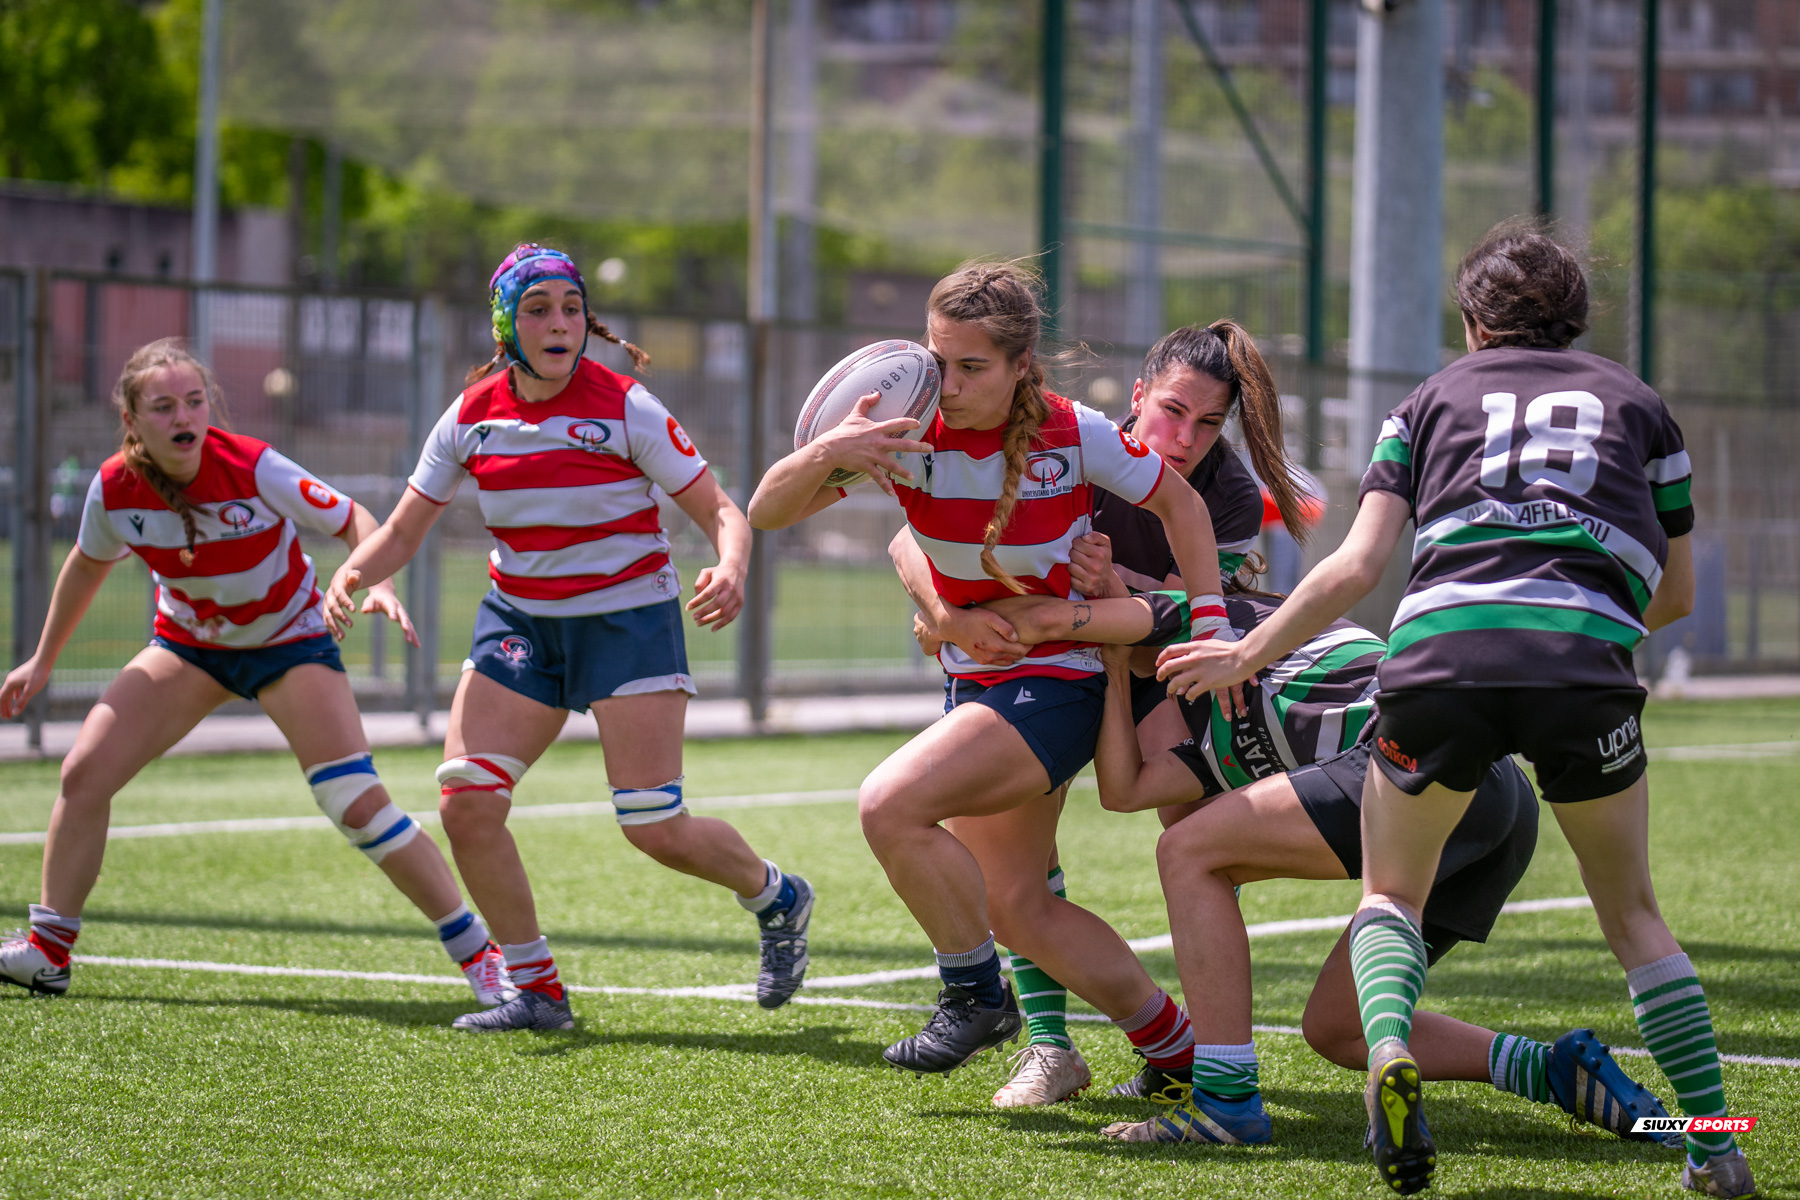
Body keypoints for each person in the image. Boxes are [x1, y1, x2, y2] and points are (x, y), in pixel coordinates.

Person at [1154, 223, 1749, 1197]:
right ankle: (1714, 1144)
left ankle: (1389, 1050)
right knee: (1636, 917)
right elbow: (1675, 596)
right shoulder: (1642, 407)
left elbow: (1355, 565)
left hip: (1438, 664)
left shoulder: (1427, 402)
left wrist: (1245, 650)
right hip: (1581, 671)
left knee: (1389, 895)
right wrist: (1576, 630)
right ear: (1577, 318)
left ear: (1472, 321)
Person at [750, 259, 1228, 1076]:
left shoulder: (1073, 433)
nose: (951, 384)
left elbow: (1180, 504)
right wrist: (834, 449)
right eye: (940, 360)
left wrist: (1211, 618)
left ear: (1020, 366)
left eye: (973, 367)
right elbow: (768, 511)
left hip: (1063, 681)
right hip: (976, 682)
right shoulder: (908, 431)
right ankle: (1178, 1054)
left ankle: (974, 995)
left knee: (889, 805)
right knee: (1017, 904)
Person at [325, 244, 812, 1034]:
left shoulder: (627, 406)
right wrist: (350, 574)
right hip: (520, 624)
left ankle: (776, 895)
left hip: (628, 624)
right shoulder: (470, 416)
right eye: (538, 309)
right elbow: (405, 531)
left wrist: (730, 567)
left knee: (653, 826)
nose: (559, 324)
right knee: (466, 802)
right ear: (505, 326)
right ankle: (537, 991)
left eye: (572, 308)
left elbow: (722, 510)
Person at [1010, 588, 1677, 1151]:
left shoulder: (1211, 614)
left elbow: (1086, 613)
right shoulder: (1206, 739)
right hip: (1487, 803)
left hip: (1415, 763)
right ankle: (1556, 1072)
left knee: (1186, 852)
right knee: (1337, 1029)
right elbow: (1124, 789)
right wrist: (1114, 671)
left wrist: (996, 621)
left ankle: (1224, 1103)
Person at [0, 339, 511, 1007]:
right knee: (83, 772)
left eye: (194, 401)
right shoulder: (115, 489)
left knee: (356, 805)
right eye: (164, 406)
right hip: (188, 648)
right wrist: (42, 659)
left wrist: (376, 583)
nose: (184, 416)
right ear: (132, 420)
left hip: (289, 644)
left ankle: (480, 954)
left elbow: (353, 519)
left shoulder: (253, 466)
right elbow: (87, 564)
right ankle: (48, 953)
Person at [902, 319, 1313, 1106]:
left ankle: (1209, 1058)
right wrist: (945, 618)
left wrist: (1115, 584)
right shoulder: (1070, 442)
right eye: (1172, 411)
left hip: (1155, 669)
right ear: (1137, 395)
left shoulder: (1226, 493)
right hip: (1042, 658)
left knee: (1195, 842)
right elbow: (932, 546)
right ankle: (1051, 1049)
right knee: (1015, 871)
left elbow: (1185, 628)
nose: (1185, 438)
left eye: (1208, 422)